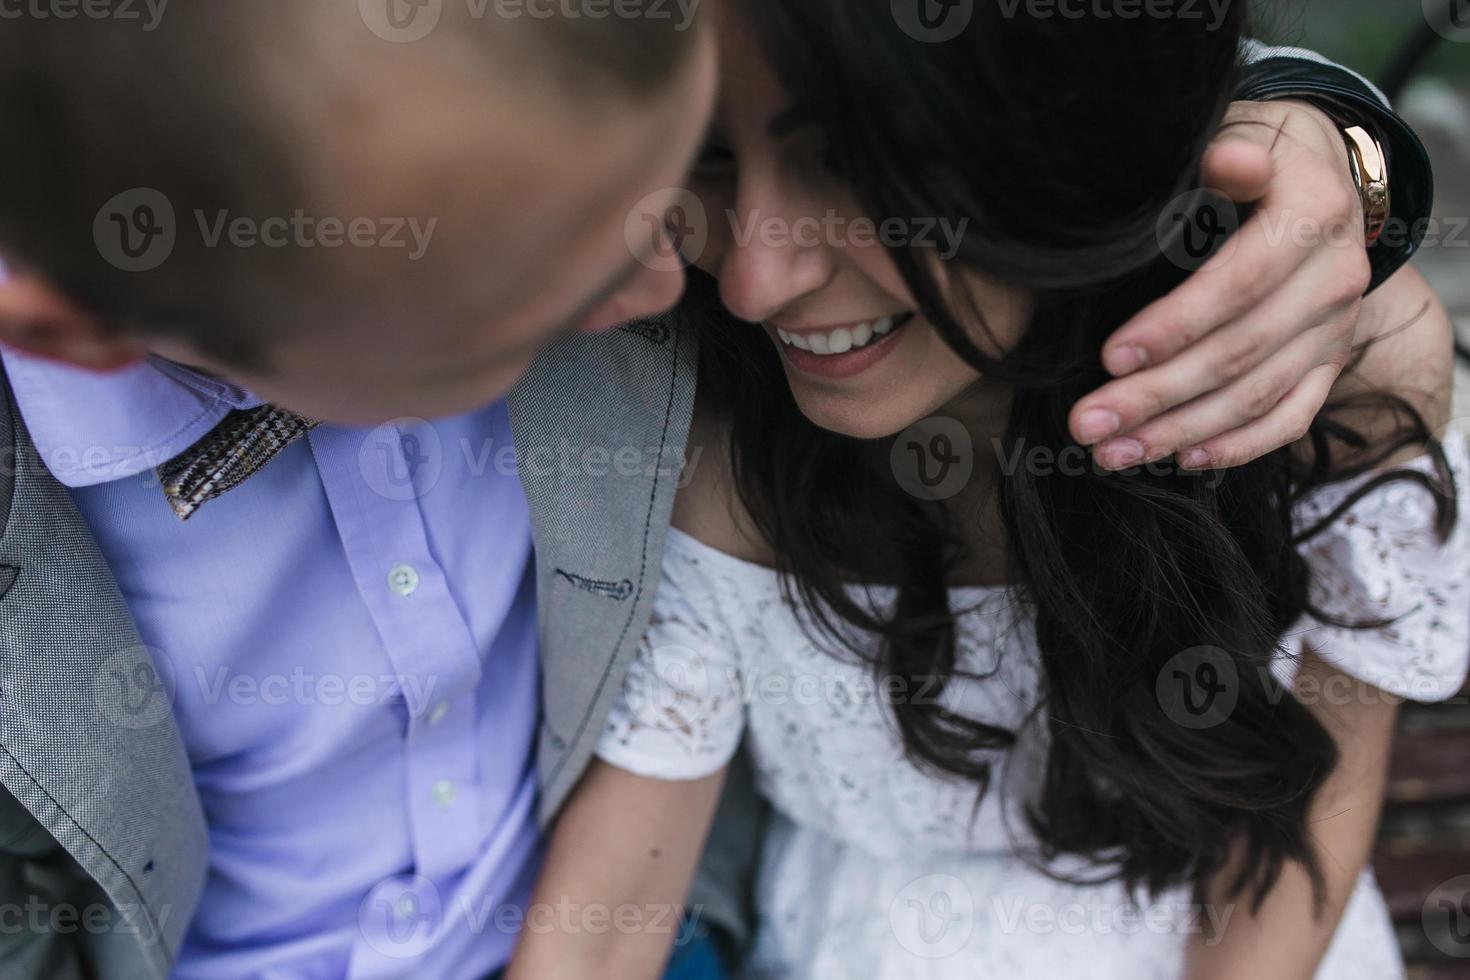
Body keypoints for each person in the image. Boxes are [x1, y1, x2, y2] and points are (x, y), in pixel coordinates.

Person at [0, 1, 1444, 978]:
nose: (716, 280)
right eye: (694, 169)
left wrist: (1336, 137)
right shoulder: (712, 413)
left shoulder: (1320, 377)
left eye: (848, 169)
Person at [506, 2, 1468, 979]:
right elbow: (606, 920)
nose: (755, 281)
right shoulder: (702, 432)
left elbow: (1301, 821)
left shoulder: (1328, 380)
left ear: (1053, 135)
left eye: (851, 163)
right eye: (707, 154)